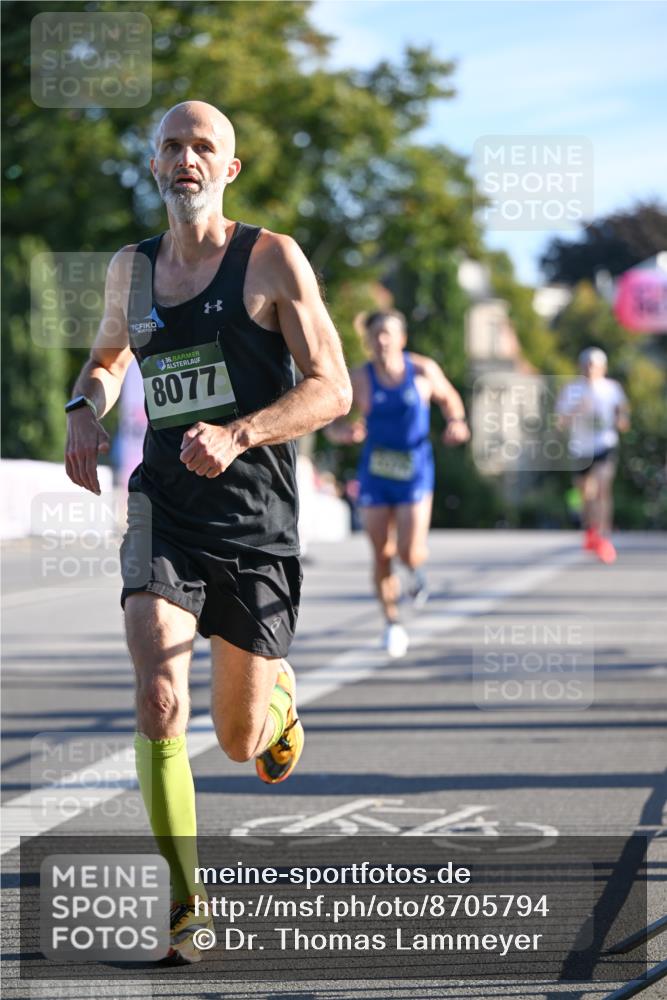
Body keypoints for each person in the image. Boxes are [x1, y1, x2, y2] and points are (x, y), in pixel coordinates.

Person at [64, 100, 352, 962]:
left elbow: (331, 387)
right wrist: (85, 405)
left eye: (203, 148)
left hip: (255, 521)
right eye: (170, 146)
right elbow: (109, 356)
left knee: (235, 739)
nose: (184, 159)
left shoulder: (271, 260)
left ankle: (278, 699)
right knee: (157, 695)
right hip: (164, 510)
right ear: (153, 166)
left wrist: (238, 434)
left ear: (228, 169)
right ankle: (187, 902)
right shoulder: (134, 269)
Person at [326, 310, 469, 657]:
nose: (382, 340)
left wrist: (457, 422)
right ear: (369, 341)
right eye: (375, 334)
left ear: (402, 339)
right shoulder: (359, 378)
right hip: (376, 470)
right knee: (381, 553)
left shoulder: (422, 370)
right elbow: (331, 423)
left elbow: (450, 400)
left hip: (415, 469)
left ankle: (416, 569)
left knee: (408, 549)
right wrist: (344, 433)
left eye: (388, 333)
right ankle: (392, 623)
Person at [556, 347, 630, 564]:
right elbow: (560, 422)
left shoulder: (612, 389)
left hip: (604, 445)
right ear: (581, 367)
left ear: (603, 368)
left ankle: (604, 539)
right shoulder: (571, 390)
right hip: (580, 448)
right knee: (586, 494)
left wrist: (621, 421)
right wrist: (576, 411)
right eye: (587, 364)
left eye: (594, 365)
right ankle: (591, 533)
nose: (590, 369)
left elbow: (623, 414)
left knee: (602, 489)